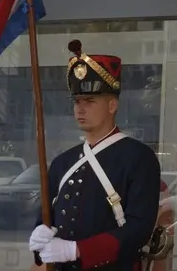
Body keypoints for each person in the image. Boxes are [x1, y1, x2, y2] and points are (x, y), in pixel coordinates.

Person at [28, 39, 162, 271]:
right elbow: (48, 218)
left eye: (90, 101)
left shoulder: (139, 158)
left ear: (112, 106)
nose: (80, 108)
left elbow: (139, 228)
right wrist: (40, 234)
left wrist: (77, 250)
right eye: (77, 101)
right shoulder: (63, 162)